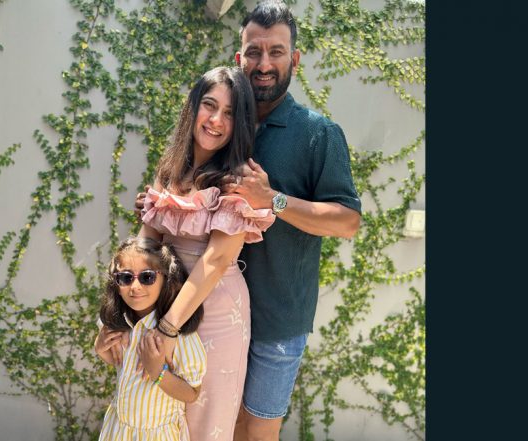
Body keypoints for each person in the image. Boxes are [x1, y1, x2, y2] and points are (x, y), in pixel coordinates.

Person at [132, 2, 362, 440]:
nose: (264, 63)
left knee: (255, 432)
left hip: (276, 320)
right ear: (240, 59)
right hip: (205, 312)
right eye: (254, 52)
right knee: (199, 424)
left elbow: (347, 221)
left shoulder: (317, 133)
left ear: (294, 59)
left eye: (277, 52)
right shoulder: (221, 125)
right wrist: (162, 206)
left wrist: (271, 200)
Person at [121, 66, 275, 441]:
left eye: (228, 113)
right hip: (164, 310)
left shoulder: (238, 180)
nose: (216, 120)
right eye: (209, 105)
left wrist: (168, 328)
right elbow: (146, 246)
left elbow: (217, 259)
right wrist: (119, 317)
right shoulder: (170, 168)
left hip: (216, 317)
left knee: (205, 426)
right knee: (158, 417)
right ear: (193, 108)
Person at [94, 236, 206, 440]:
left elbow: (192, 393)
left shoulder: (177, 337)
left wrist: (158, 372)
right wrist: (100, 348)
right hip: (120, 430)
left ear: (166, 279)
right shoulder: (121, 323)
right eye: (126, 278)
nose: (135, 287)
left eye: (146, 277)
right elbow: (122, 365)